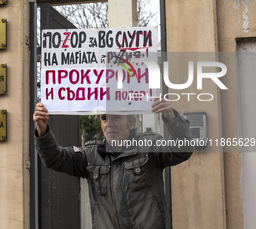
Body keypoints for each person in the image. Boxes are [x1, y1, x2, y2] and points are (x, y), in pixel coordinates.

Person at [33, 95, 193, 229]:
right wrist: (42, 129)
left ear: (132, 123)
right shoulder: (91, 154)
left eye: (116, 117)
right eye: (104, 119)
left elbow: (182, 150)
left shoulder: (149, 146)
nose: (109, 123)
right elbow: (54, 158)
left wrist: (171, 118)